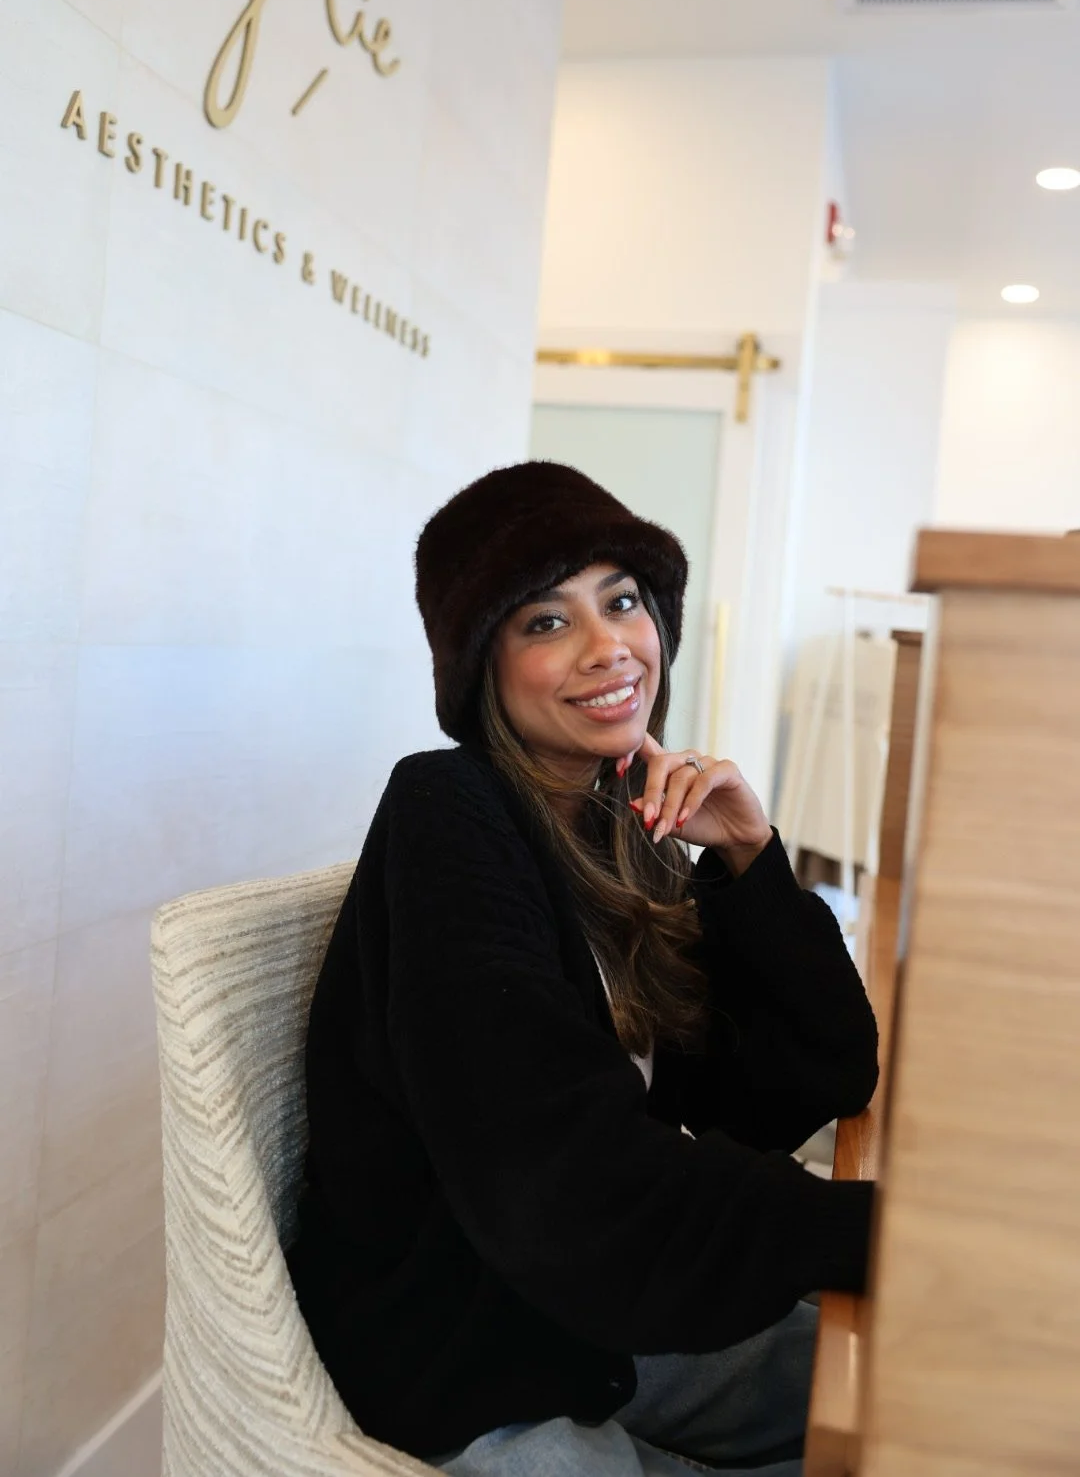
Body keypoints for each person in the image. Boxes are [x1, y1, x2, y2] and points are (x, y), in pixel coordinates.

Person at [287, 462, 878, 1475]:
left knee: (918, 1402)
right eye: (546, 622)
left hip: (587, 1309)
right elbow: (565, 1181)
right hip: (467, 1352)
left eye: (623, 601)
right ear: (485, 665)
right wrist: (871, 1234)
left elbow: (814, 1077)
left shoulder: (620, 825)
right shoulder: (446, 813)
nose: (610, 647)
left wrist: (747, 857)